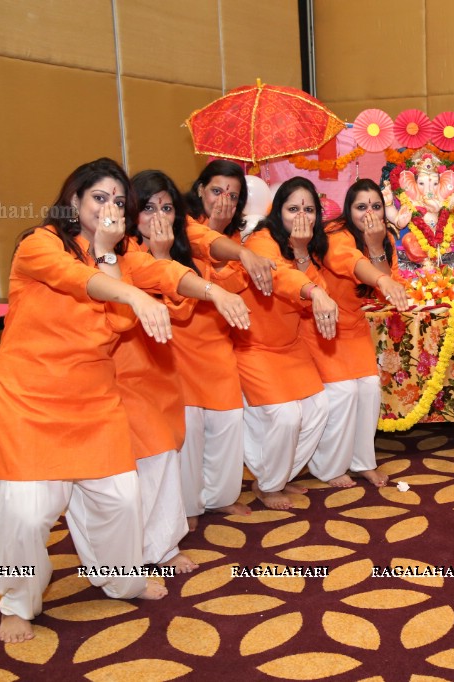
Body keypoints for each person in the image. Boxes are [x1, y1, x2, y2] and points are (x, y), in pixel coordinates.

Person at [0, 158, 230, 643]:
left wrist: (213, 290)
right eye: (99, 198)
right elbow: (78, 280)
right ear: (74, 201)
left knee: (120, 500)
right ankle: (17, 602)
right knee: (26, 513)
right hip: (27, 399)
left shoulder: (122, 253)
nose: (109, 207)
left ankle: (119, 578)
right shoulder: (39, 244)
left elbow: (164, 273)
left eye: (117, 200)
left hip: (93, 400)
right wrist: (133, 296)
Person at [117, 169, 249, 573]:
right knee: (151, 463)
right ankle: (139, 555)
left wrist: (175, 258)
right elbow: (164, 283)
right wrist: (170, 263)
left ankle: (163, 544)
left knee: (170, 453)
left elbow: (181, 302)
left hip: (166, 364)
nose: (158, 214)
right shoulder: (120, 251)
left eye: (166, 207)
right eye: (149, 207)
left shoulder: (181, 245)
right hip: (131, 369)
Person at [175, 160, 269, 529]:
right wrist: (237, 251)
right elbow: (202, 247)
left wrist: (237, 249)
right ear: (199, 190)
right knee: (191, 430)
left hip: (217, 344)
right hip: (180, 343)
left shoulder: (238, 241)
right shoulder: (179, 229)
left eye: (233, 195)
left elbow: (235, 286)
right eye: (217, 190)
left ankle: (217, 498)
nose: (224, 200)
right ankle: (188, 506)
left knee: (229, 424)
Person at [234, 177, 338, 510]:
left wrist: (303, 252)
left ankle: (276, 477)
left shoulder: (307, 248)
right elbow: (279, 275)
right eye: (292, 209)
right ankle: (269, 484)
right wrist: (315, 291)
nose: (301, 217)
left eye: (308, 209)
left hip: (290, 348)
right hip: (255, 347)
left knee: (319, 409)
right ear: (277, 212)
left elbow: (316, 286)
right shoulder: (261, 241)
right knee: (286, 416)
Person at [302, 179, 410, 488]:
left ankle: (363, 462)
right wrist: (382, 277)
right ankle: (329, 467)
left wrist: (377, 246)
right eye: (361, 207)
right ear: (349, 210)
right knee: (343, 394)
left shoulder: (382, 236)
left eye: (376, 206)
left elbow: (384, 291)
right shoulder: (335, 235)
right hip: (323, 324)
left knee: (369, 389)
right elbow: (350, 263)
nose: (369, 213)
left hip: (354, 326)